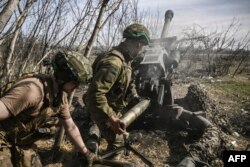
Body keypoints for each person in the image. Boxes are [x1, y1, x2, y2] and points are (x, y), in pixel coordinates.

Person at [0, 50, 97, 167]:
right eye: (75, 82)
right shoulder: (32, 91)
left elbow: (70, 126)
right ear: (64, 76)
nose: (77, 87)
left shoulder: (60, 96)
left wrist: (86, 152)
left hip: (21, 143)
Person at [84, 23, 150, 154]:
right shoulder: (114, 63)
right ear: (139, 44)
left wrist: (135, 96)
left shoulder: (126, 60)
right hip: (100, 107)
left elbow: (128, 83)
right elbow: (95, 95)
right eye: (142, 46)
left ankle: (97, 131)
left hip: (110, 105)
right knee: (118, 144)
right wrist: (110, 117)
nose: (141, 50)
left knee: (125, 131)